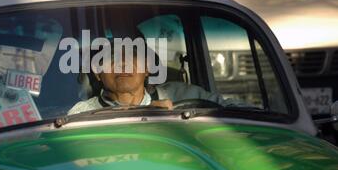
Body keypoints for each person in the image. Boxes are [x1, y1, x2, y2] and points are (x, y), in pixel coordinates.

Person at [68, 43, 241, 115]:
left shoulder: (181, 94)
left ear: (147, 69)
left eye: (132, 57)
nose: (123, 64)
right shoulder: (81, 113)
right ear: (98, 73)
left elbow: (236, 110)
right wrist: (142, 112)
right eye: (112, 59)